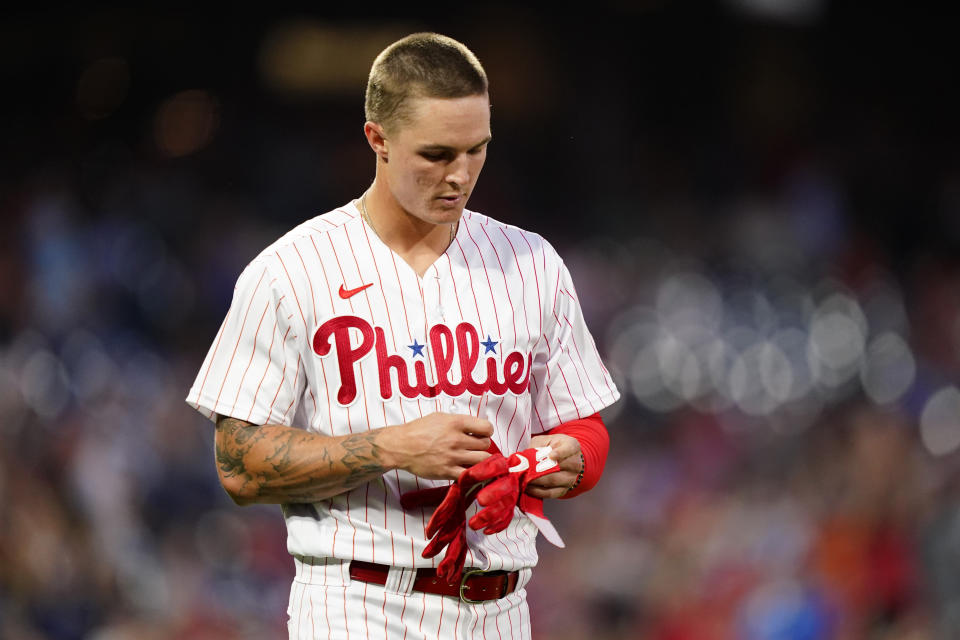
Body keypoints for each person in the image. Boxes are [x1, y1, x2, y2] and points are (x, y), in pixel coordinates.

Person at [186, 32, 619, 639]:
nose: (461, 175)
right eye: (437, 154)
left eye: (477, 150)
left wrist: (563, 460)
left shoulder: (531, 262)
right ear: (378, 139)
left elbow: (583, 428)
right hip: (360, 601)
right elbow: (237, 464)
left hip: (502, 609)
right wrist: (391, 447)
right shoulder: (292, 271)